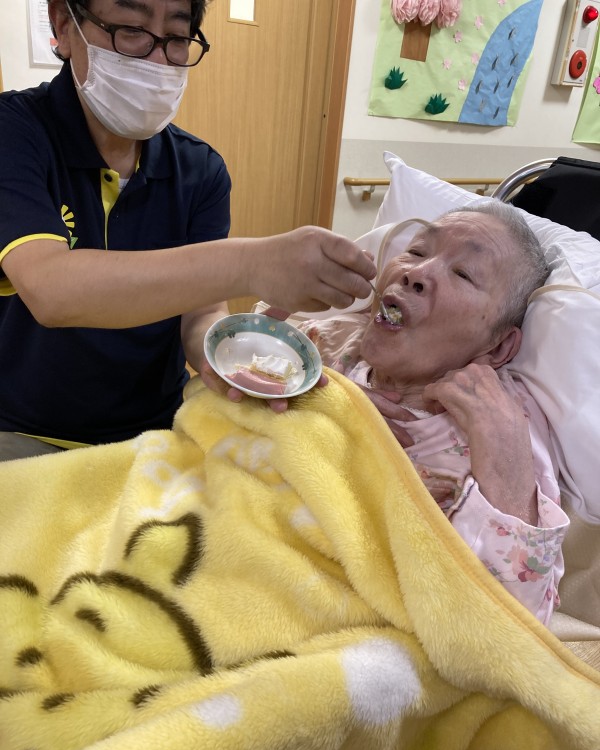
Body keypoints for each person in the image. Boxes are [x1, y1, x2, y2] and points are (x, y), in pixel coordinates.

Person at [0, 0, 375, 461]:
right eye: (131, 29)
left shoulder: (200, 170)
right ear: (64, 24)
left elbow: (201, 314)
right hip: (23, 429)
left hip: (156, 430)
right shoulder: (15, 131)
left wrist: (232, 356)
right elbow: (51, 289)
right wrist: (251, 264)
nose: (158, 59)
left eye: (177, 38)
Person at [210, 201, 569, 627]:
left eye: (463, 274)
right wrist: (310, 399)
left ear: (498, 347)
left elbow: (518, 623)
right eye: (416, 251)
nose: (416, 272)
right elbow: (218, 423)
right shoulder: (324, 345)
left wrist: (507, 470)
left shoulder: (502, 427)